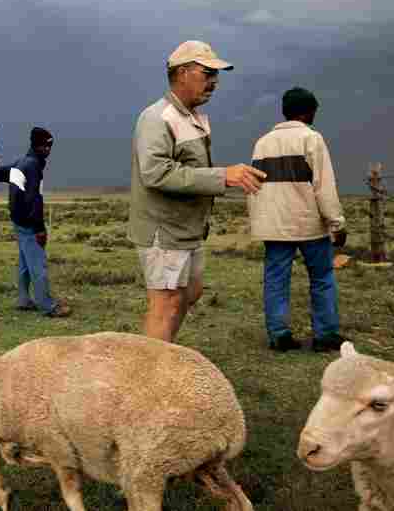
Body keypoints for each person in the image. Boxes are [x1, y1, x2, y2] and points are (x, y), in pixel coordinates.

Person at [129, 40, 266, 344]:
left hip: (187, 230)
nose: (214, 82)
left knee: (190, 293)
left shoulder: (193, 118)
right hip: (164, 231)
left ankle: (163, 355)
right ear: (182, 73)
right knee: (166, 304)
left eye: (216, 75)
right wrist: (223, 177)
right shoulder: (157, 118)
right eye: (208, 73)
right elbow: (155, 173)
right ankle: (148, 376)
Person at [247, 87, 348, 352]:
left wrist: (261, 223)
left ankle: (279, 335)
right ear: (307, 111)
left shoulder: (262, 142)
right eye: (314, 109)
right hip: (308, 224)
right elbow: (323, 186)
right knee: (322, 277)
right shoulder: (311, 138)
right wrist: (337, 222)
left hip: (275, 226)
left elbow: (254, 187)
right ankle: (325, 335)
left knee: (276, 279)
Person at [0, 126, 71, 318]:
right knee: (38, 264)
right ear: (36, 145)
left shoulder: (22, 163)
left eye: (50, 146)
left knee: (25, 262)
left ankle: (24, 299)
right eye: (44, 146)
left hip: (18, 221)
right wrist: (40, 229)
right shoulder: (32, 166)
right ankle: (48, 305)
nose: (48, 149)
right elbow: (34, 199)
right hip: (28, 223)